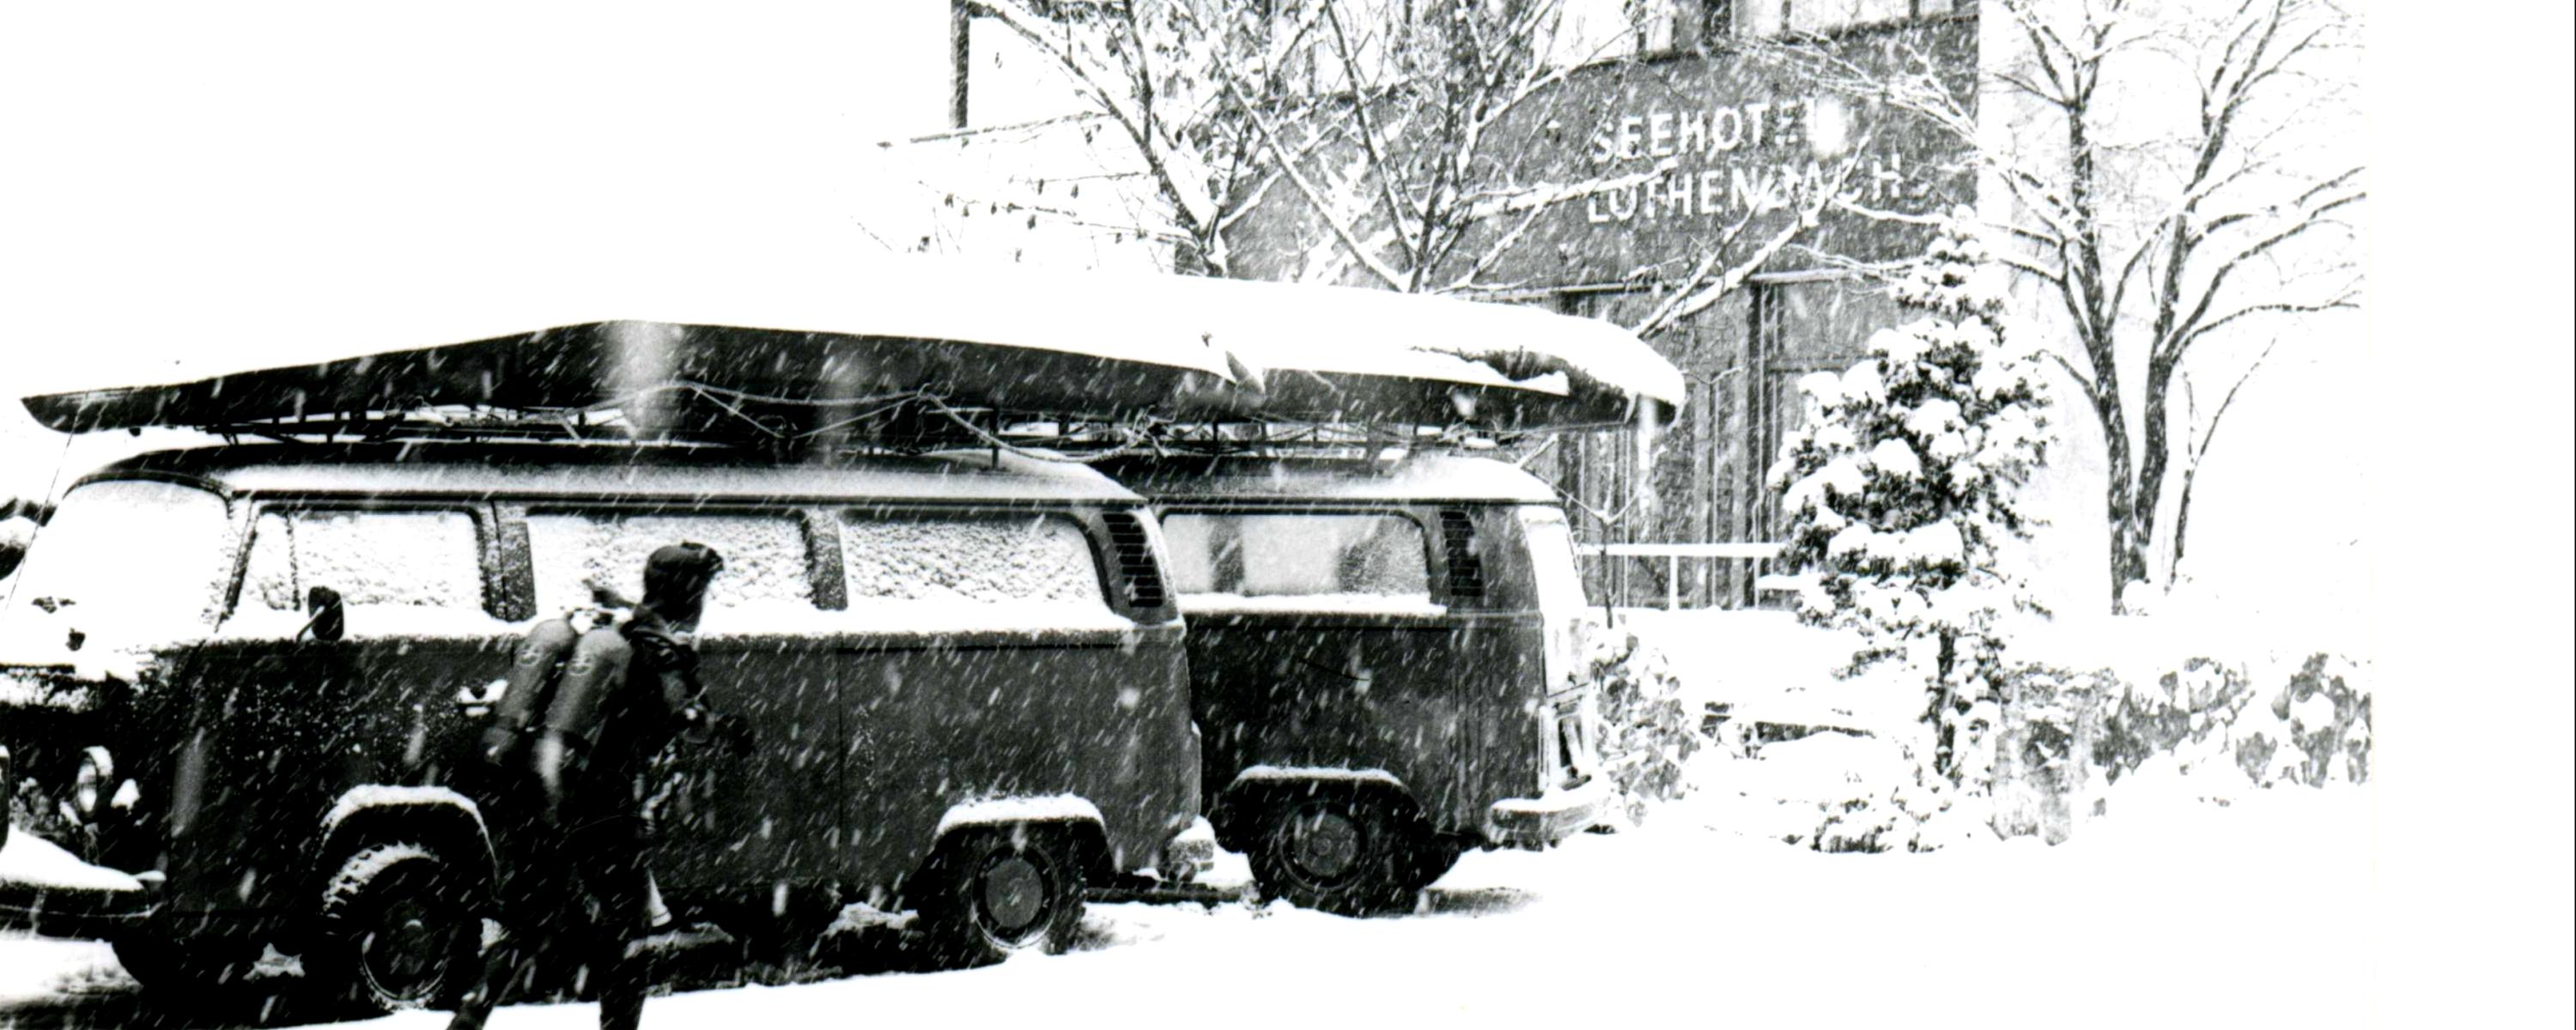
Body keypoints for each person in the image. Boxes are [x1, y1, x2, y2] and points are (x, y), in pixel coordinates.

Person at [451, 542, 728, 1030]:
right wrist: (721, 726)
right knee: (627, 937)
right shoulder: (657, 645)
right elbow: (686, 718)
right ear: (690, 594)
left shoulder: (608, 628)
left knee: (525, 924)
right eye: (703, 590)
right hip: (606, 805)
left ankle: (468, 1021)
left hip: (540, 795)